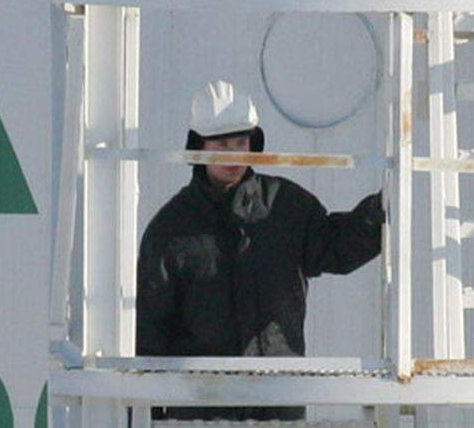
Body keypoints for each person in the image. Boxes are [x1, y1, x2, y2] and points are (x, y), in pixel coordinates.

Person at [136, 80, 384, 421]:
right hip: (200, 406)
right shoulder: (170, 230)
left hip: (278, 398)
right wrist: (150, 413)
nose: (234, 154)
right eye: (222, 143)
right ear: (197, 145)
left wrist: (381, 211)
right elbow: (152, 330)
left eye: (241, 141)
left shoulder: (287, 206)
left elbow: (336, 246)